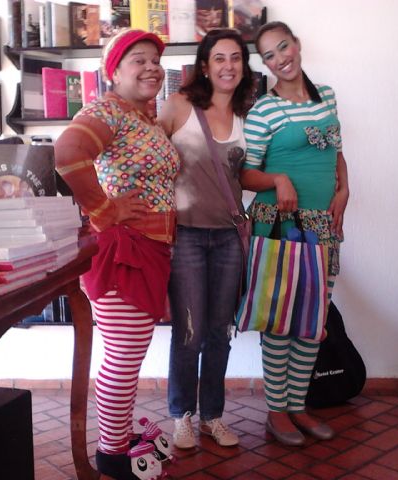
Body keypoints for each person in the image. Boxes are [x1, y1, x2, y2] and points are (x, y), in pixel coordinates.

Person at [54, 29, 179, 479]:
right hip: (125, 250)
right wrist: (105, 211)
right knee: (123, 358)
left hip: (149, 249)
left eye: (155, 61)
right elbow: (67, 152)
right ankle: (110, 452)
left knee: (129, 353)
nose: (151, 68)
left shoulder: (142, 118)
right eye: (138, 60)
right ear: (115, 72)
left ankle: (121, 438)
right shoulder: (107, 110)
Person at [241, 21, 350, 446]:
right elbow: (245, 174)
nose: (280, 58)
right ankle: (277, 411)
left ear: (297, 45)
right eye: (269, 55)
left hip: (322, 224)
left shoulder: (328, 96)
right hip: (280, 224)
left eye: (283, 47)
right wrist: (278, 178)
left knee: (313, 317)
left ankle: (298, 405)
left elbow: (336, 152)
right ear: (265, 64)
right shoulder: (263, 110)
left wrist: (345, 189)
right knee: (280, 318)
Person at [157, 28, 254, 450]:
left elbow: (244, 176)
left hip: (229, 237)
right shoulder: (179, 105)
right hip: (186, 237)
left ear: (244, 66)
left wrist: (282, 180)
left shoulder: (248, 115)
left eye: (236, 58)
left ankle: (213, 415)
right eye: (219, 58)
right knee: (189, 333)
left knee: (219, 332)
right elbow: (148, 158)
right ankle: (181, 415)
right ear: (205, 66)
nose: (228, 66)